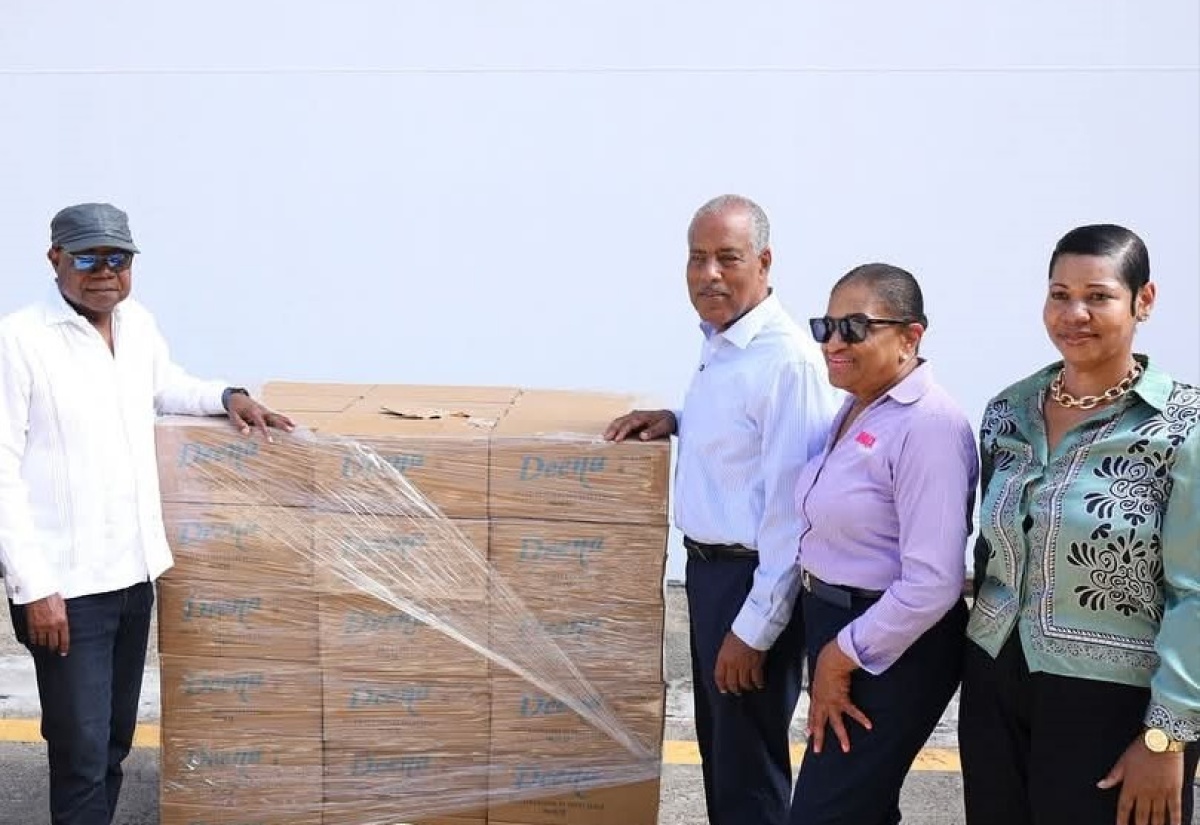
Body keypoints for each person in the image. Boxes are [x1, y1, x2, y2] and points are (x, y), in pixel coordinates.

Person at [0, 202, 293, 825]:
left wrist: (228, 396)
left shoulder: (136, 326)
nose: (104, 272)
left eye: (118, 259)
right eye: (86, 258)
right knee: (79, 752)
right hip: (66, 588)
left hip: (132, 575)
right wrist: (35, 587)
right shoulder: (18, 341)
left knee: (113, 743)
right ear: (54, 259)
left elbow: (166, 385)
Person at [604, 194, 841, 825]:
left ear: (763, 262)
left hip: (750, 581)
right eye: (697, 258)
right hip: (711, 577)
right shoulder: (725, 343)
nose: (709, 273)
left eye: (727, 258)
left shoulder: (785, 360)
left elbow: (794, 513)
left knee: (748, 774)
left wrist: (754, 630)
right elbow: (748, 442)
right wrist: (676, 420)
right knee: (723, 761)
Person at [960, 224, 1200, 825]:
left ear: (1143, 301)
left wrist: (1166, 738)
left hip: (1114, 704)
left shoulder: (1182, 426)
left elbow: (1194, 592)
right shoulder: (1007, 412)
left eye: (1098, 296)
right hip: (994, 684)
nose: (1075, 313)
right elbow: (991, 555)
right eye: (1059, 294)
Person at [786, 263, 977, 825]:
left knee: (827, 813)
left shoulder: (929, 428)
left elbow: (933, 583)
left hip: (887, 647)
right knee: (854, 809)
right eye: (825, 327)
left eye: (854, 327)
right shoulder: (861, 404)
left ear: (911, 336)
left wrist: (839, 657)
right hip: (838, 626)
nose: (834, 343)